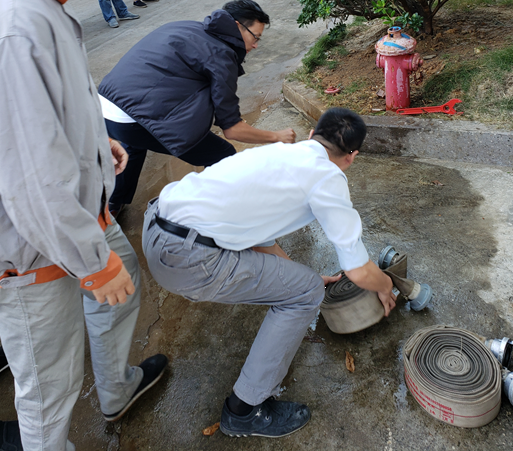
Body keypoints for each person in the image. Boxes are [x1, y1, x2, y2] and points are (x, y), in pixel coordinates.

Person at [0, 0, 167, 451]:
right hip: (36, 252)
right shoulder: (14, 24)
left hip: (81, 214)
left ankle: (118, 387)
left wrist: (97, 142)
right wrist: (93, 266)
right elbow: (29, 182)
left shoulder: (40, 2)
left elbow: (50, 112)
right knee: (50, 393)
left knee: (122, 293)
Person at [142, 107, 396, 439]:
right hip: (187, 259)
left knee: (302, 283)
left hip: (156, 227)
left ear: (311, 136)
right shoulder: (327, 177)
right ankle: (244, 411)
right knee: (306, 293)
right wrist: (386, 284)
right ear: (352, 156)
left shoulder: (278, 155)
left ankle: (246, 405)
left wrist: (292, 275)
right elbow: (359, 271)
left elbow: (260, 238)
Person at [97, 0, 296, 217]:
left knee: (134, 144)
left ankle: (113, 203)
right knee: (223, 155)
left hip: (106, 107)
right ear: (237, 26)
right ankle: (212, 213)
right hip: (133, 119)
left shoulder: (188, 27)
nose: (256, 45)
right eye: (255, 37)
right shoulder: (222, 56)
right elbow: (232, 129)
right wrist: (276, 136)